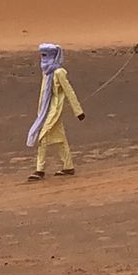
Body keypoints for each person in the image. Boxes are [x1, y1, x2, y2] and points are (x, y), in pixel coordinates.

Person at [24, 43, 85, 181]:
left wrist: (78, 111)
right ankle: (68, 166)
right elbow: (43, 94)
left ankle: (40, 170)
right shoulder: (46, 73)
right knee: (61, 140)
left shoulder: (59, 72)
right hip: (45, 111)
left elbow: (69, 91)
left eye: (45, 55)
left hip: (54, 111)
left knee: (43, 137)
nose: (42, 58)